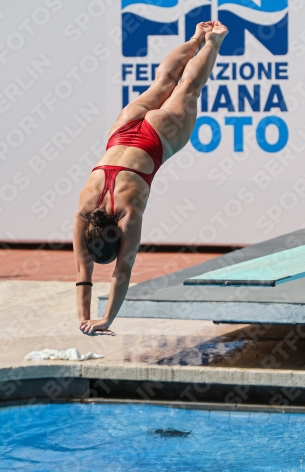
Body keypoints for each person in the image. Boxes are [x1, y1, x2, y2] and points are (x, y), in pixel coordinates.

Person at [73, 20, 228, 336]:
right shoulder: (83, 212)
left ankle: (213, 42)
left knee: (188, 87)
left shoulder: (127, 217)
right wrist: (83, 316)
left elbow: (122, 272)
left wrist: (105, 320)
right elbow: (81, 272)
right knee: (165, 81)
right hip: (122, 132)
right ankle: (197, 36)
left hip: (158, 140)